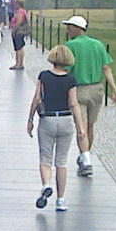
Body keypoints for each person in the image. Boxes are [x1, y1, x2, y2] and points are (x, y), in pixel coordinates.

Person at [25, 42, 87, 212]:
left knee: (45, 158)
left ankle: (46, 185)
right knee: (61, 161)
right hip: (66, 120)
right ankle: (61, 200)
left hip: (48, 120)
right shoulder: (70, 80)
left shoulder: (44, 76)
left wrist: (30, 119)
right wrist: (80, 127)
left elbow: (37, 98)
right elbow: (74, 104)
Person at [62, 14, 116, 176]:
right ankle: (85, 155)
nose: (67, 30)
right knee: (90, 126)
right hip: (97, 90)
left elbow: (65, 70)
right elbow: (106, 68)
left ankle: (86, 161)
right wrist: (115, 90)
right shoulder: (98, 45)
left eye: (69, 27)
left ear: (77, 28)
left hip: (79, 89)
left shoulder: (70, 46)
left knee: (81, 126)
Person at [8, 0, 30, 70]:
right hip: (21, 31)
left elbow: (18, 22)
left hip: (18, 31)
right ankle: (20, 63)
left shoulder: (19, 12)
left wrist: (14, 30)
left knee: (18, 48)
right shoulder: (24, 11)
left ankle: (18, 63)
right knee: (21, 47)